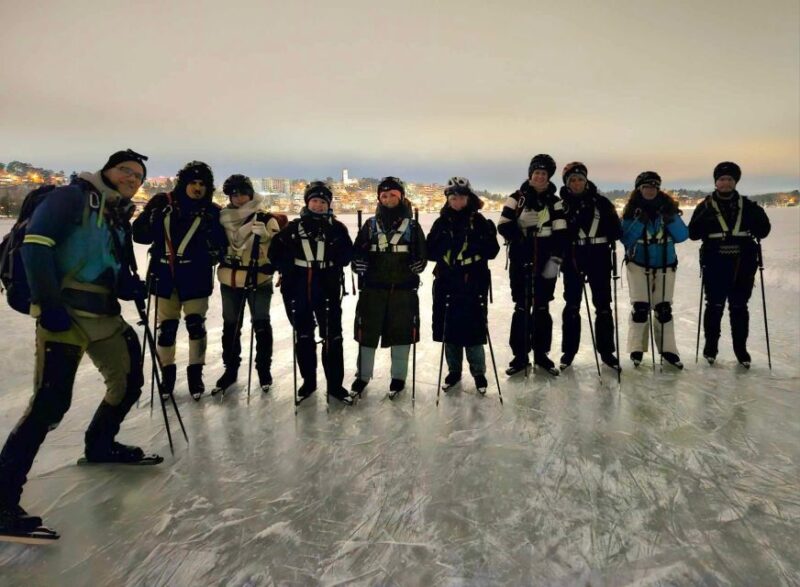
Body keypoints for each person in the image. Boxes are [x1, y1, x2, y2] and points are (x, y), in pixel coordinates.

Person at [0, 149, 157, 536]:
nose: (131, 179)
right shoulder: (72, 197)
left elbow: (112, 269)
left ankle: (100, 444)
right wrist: (49, 305)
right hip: (65, 315)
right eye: (126, 171)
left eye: (138, 176)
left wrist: (130, 286)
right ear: (107, 170)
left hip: (103, 315)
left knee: (128, 381)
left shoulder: (116, 215)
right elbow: (36, 246)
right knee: (50, 403)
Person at [132, 161, 227, 400]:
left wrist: (211, 245)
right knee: (167, 330)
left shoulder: (212, 211)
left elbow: (221, 245)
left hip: (195, 276)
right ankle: (168, 375)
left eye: (202, 184)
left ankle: (196, 374)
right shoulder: (162, 203)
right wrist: (151, 217)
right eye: (193, 183)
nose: (197, 188)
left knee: (196, 325)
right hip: (164, 276)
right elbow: (140, 236)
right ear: (183, 183)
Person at [268, 181, 354, 405]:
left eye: (322, 202)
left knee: (332, 337)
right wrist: (286, 268)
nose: (318, 205)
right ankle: (309, 382)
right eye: (314, 201)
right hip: (298, 289)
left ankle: (335, 385)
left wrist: (336, 257)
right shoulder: (293, 228)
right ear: (307, 202)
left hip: (327, 288)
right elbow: (274, 253)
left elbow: (347, 255)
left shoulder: (337, 228)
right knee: (304, 336)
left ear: (328, 205)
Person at [688, 162, 771, 368]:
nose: (725, 183)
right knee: (714, 306)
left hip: (743, 262)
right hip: (715, 261)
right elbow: (693, 234)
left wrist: (758, 220)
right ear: (716, 182)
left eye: (730, 179)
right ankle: (710, 347)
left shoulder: (749, 206)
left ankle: (740, 349)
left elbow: (764, 231)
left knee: (739, 306)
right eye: (722, 179)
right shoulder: (704, 206)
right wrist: (703, 218)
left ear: (735, 182)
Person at [350, 176, 426, 397]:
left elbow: (423, 254)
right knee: (367, 335)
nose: (388, 198)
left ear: (401, 196)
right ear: (379, 199)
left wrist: (419, 264)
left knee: (402, 335)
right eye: (384, 195)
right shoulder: (370, 225)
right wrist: (357, 264)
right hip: (373, 291)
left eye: (393, 194)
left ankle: (398, 379)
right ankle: (362, 377)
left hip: (403, 292)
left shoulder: (412, 226)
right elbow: (357, 253)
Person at [426, 177, 500, 393]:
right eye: (453, 197)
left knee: (475, 329)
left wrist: (487, 236)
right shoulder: (441, 222)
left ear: (469, 198)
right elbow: (430, 251)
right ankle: (454, 372)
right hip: (447, 280)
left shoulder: (478, 220)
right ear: (448, 200)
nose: (458, 201)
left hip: (473, 280)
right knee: (449, 328)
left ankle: (479, 373)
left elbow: (493, 252)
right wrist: (445, 242)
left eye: (462, 197)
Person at [497, 154, 567, 376]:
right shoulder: (516, 198)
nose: (539, 176)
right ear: (530, 174)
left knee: (542, 307)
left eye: (543, 174)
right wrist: (519, 226)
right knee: (521, 307)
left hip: (546, 263)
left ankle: (541, 354)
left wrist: (555, 261)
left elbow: (562, 234)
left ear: (548, 178)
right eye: (536, 173)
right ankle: (519, 356)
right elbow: (503, 227)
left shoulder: (555, 201)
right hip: (520, 262)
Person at [215, 175, 281, 393]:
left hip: (258, 280)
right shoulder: (222, 218)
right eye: (234, 194)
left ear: (251, 194)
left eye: (243, 193)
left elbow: (279, 252)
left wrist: (265, 238)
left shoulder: (265, 218)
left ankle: (264, 370)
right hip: (230, 280)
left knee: (261, 325)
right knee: (230, 327)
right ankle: (230, 369)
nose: (239, 198)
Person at [620, 171, 689, 368]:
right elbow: (625, 239)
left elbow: (683, 236)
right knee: (640, 308)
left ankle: (669, 350)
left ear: (658, 189)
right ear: (639, 189)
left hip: (665, 265)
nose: (650, 190)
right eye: (645, 187)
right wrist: (638, 222)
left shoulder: (668, 209)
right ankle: (636, 349)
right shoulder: (631, 211)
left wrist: (671, 219)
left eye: (653, 187)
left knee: (664, 309)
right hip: (637, 264)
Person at [558, 162, 622, 370]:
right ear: (567, 183)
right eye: (572, 180)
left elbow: (617, 231)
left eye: (580, 179)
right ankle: (569, 351)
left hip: (599, 257)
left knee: (603, 306)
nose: (577, 183)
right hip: (573, 258)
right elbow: (557, 235)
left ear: (586, 181)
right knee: (572, 306)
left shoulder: (602, 202)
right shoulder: (560, 206)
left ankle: (606, 352)